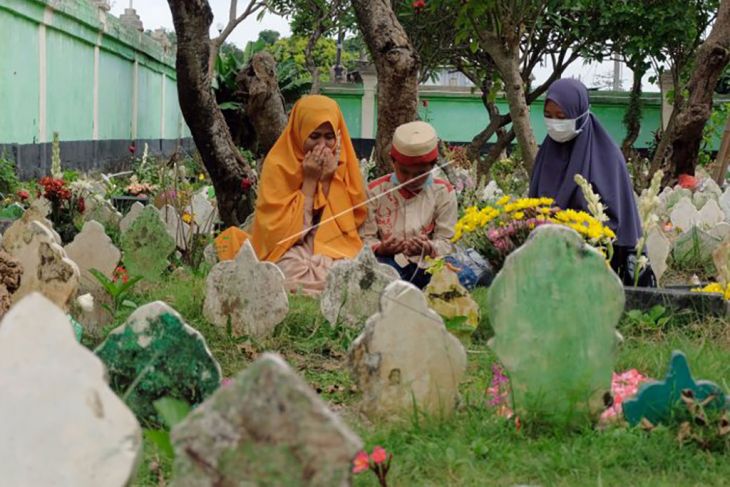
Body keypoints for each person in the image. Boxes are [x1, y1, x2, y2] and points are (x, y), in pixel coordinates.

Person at [217, 95, 367, 295]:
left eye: (329, 137)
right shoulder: (278, 164)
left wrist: (329, 180)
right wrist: (310, 180)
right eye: (314, 137)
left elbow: (350, 221)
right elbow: (280, 233)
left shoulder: (342, 161)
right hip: (288, 246)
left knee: (343, 269)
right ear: (299, 132)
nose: (322, 145)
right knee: (284, 270)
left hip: (331, 244)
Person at [529, 78, 656, 286]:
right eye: (548, 116)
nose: (555, 123)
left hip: (600, 261)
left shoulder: (608, 157)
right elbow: (533, 205)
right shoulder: (546, 155)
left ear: (579, 115)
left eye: (562, 117)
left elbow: (616, 222)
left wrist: (574, 229)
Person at [361, 121, 458, 288]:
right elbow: (364, 239)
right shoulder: (375, 191)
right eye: (404, 171)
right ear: (393, 162)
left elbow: (447, 241)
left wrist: (428, 247)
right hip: (387, 261)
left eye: (420, 173)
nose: (410, 180)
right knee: (379, 275)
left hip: (428, 263)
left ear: (432, 166)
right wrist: (382, 248)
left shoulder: (443, 192)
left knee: (455, 272)